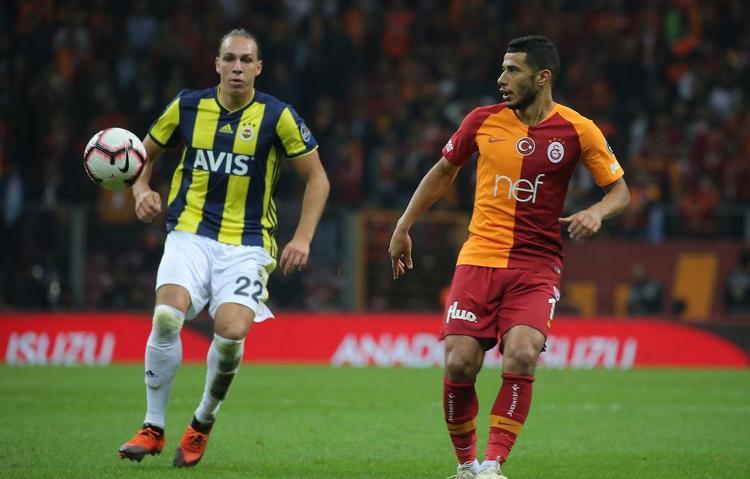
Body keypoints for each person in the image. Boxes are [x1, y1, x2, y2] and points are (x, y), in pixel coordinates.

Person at [388, 35, 630, 479]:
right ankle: (466, 465)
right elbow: (443, 172)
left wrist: (597, 212)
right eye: (502, 69)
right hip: (478, 258)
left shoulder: (578, 129)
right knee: (460, 362)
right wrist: (404, 226)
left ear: (542, 77)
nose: (501, 78)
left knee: (521, 354)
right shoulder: (482, 121)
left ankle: (493, 464)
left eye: (513, 70)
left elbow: (620, 191)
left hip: (536, 266)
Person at [118, 29, 329, 467]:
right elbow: (142, 156)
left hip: (248, 243)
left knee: (231, 334)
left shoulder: (278, 116)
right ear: (216, 63)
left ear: (258, 67)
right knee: (166, 317)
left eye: (246, 60)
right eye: (229, 58)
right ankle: (153, 426)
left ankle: (202, 421)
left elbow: (317, 178)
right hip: (189, 233)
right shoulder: (187, 106)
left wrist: (303, 237)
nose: (237, 67)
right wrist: (140, 191)